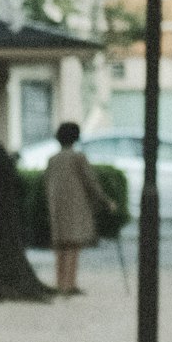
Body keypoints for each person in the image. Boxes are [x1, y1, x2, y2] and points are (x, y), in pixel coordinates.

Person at [42, 122, 115, 295]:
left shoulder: (52, 159)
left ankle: (60, 283)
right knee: (73, 245)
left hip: (57, 206)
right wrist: (105, 202)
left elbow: (46, 183)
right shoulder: (78, 157)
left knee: (60, 245)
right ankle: (70, 284)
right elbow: (91, 183)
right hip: (76, 206)